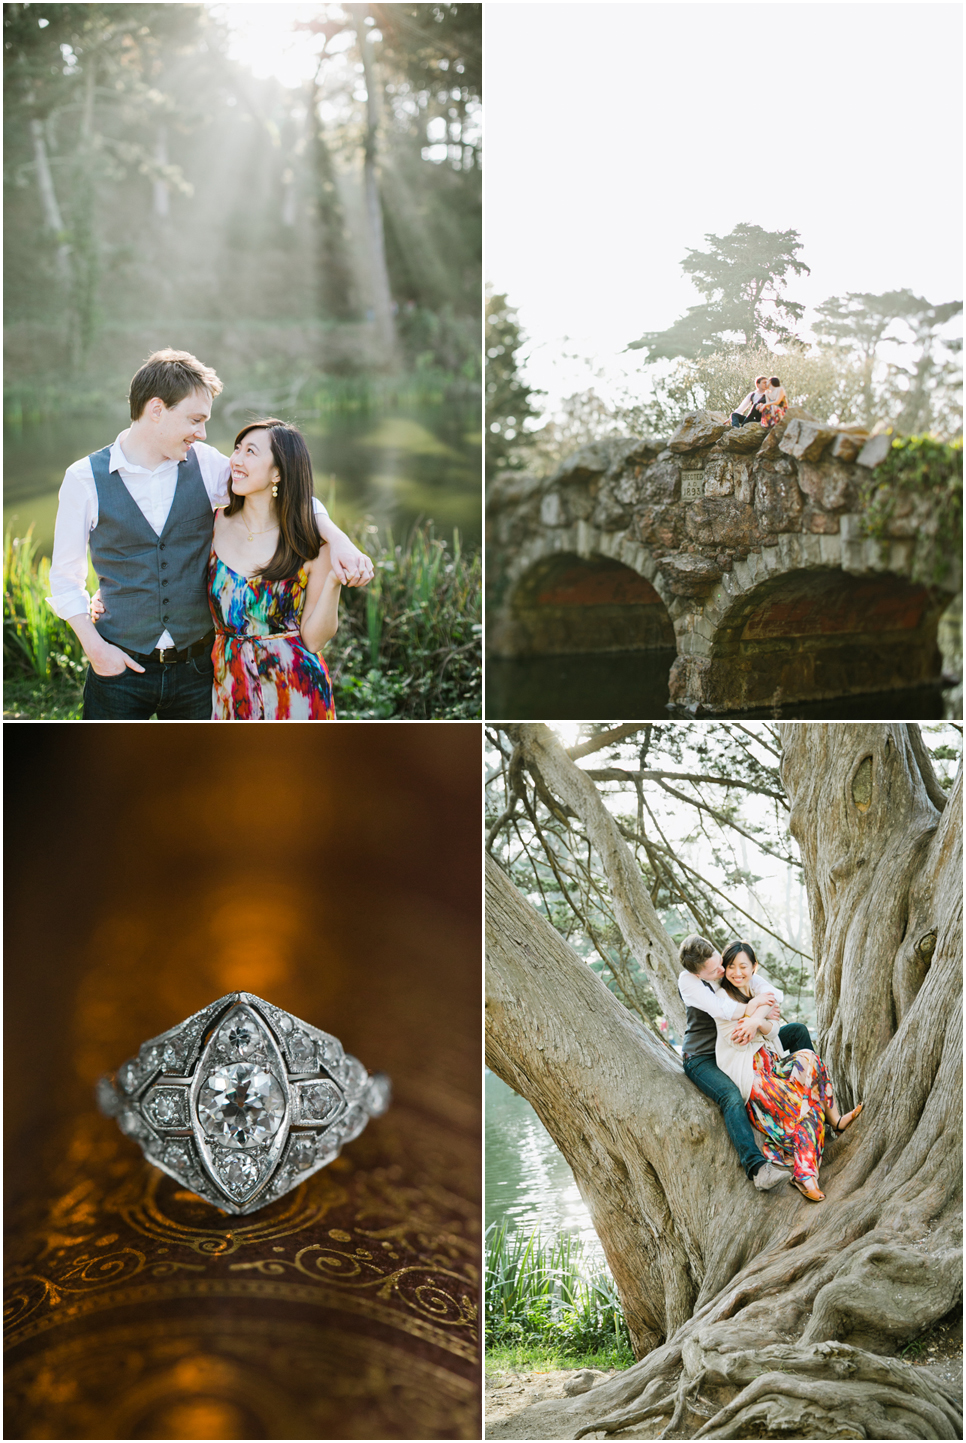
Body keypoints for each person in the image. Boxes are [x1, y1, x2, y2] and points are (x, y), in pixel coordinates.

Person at [47, 349, 374, 720]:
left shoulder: (205, 465)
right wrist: (95, 650)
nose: (202, 433)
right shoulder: (83, 478)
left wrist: (339, 539)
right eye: (195, 419)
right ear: (157, 410)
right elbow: (64, 578)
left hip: (199, 672)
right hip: (119, 668)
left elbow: (288, 495)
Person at [209, 419, 341, 719]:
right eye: (237, 449)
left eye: (251, 452)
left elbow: (314, 639)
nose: (236, 460)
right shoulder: (213, 524)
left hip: (295, 690)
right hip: (228, 686)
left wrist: (334, 581)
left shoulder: (309, 540)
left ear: (278, 471)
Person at [715, 941, 863, 1201]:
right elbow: (738, 1037)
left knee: (809, 1056)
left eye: (743, 966)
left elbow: (773, 1031)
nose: (736, 973)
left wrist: (758, 1021)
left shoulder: (756, 990)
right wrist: (758, 1016)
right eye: (730, 967)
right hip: (753, 1077)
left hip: (773, 1064)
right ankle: (806, 1176)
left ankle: (836, 1120)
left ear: (754, 967)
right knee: (805, 1106)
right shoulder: (723, 998)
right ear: (724, 968)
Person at [677, 933, 816, 1191]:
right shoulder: (689, 982)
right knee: (730, 1096)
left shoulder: (729, 969)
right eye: (714, 969)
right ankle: (758, 1169)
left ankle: (814, 1097)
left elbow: (772, 993)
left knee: (796, 1030)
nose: (722, 969)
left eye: (720, 962)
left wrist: (758, 1016)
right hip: (703, 1057)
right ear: (698, 973)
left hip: (742, 1047)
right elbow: (723, 1010)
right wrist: (755, 1009)